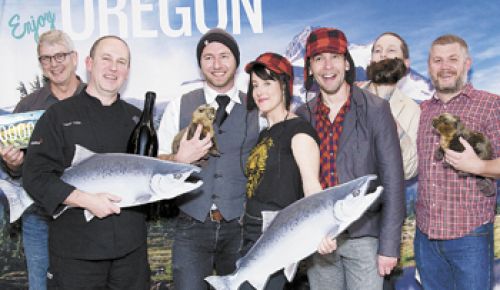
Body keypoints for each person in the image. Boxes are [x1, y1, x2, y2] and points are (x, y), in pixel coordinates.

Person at [22, 35, 150, 290]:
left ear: (127, 70)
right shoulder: (56, 116)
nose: (113, 68)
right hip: (76, 255)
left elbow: (148, 171)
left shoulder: (137, 118)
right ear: (89, 63)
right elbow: (35, 177)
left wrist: (179, 159)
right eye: (106, 59)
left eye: (121, 62)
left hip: (131, 254)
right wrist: (85, 200)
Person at [295, 27, 405, 290]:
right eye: (318, 59)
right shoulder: (302, 116)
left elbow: (393, 182)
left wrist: (389, 246)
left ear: (347, 62)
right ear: (310, 68)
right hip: (320, 241)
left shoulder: (376, 110)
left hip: (364, 236)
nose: (327, 66)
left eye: (334, 57)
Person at [156, 28, 260, 289]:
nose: (217, 65)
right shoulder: (180, 104)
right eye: (208, 57)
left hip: (240, 225)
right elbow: (156, 163)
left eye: (224, 56)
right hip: (191, 225)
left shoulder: (257, 106)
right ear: (200, 64)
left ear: (236, 61)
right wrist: (179, 158)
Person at [0, 29, 85, 290]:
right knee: (40, 283)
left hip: (86, 213)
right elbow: (17, 169)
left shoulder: (95, 99)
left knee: (87, 282)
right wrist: (13, 163)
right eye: (46, 58)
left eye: (60, 56)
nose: (54, 64)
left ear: (74, 58)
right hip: (39, 215)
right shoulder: (27, 106)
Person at [415, 34, 500, 290]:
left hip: (470, 235)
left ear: (467, 64)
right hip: (425, 238)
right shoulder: (421, 112)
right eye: (438, 60)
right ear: (429, 67)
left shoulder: (490, 105)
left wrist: (479, 167)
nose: (445, 66)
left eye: (453, 59)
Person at [240, 52, 323, 290]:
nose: (259, 91)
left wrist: (321, 231)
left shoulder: (299, 131)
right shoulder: (266, 131)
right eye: (255, 85)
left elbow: (311, 186)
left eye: (267, 83)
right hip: (252, 234)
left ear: (285, 85)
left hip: (278, 238)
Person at [361, 32, 420, 180]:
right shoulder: (351, 97)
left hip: (385, 197)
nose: (383, 55)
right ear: (371, 60)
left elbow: (409, 170)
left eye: (391, 50)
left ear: (406, 63)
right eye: (378, 51)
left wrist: (389, 120)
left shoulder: (411, 110)